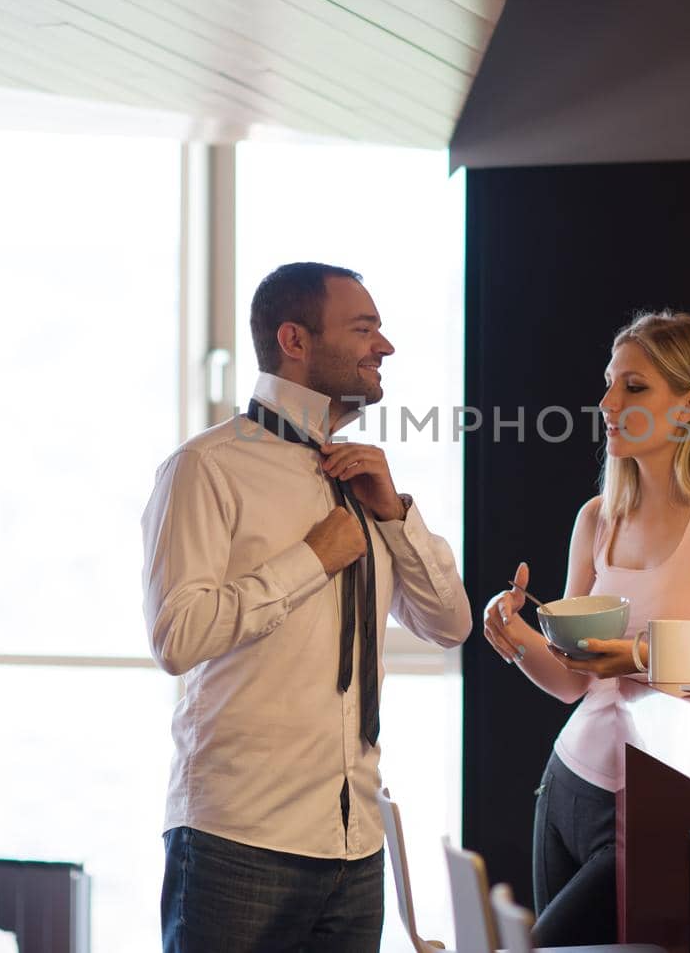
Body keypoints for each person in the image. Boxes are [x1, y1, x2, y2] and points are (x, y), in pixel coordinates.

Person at [142, 261, 472, 953]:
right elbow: (177, 635)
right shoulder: (205, 469)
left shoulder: (363, 480)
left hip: (355, 845)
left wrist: (396, 517)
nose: (384, 347)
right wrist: (309, 561)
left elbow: (450, 625)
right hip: (240, 838)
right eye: (364, 328)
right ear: (295, 338)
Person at [481, 310, 690, 946]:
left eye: (634, 387)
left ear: (688, 406)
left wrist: (642, 656)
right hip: (567, 785)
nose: (608, 402)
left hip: (658, 797)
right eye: (609, 383)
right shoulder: (598, 518)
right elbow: (570, 682)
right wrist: (517, 636)